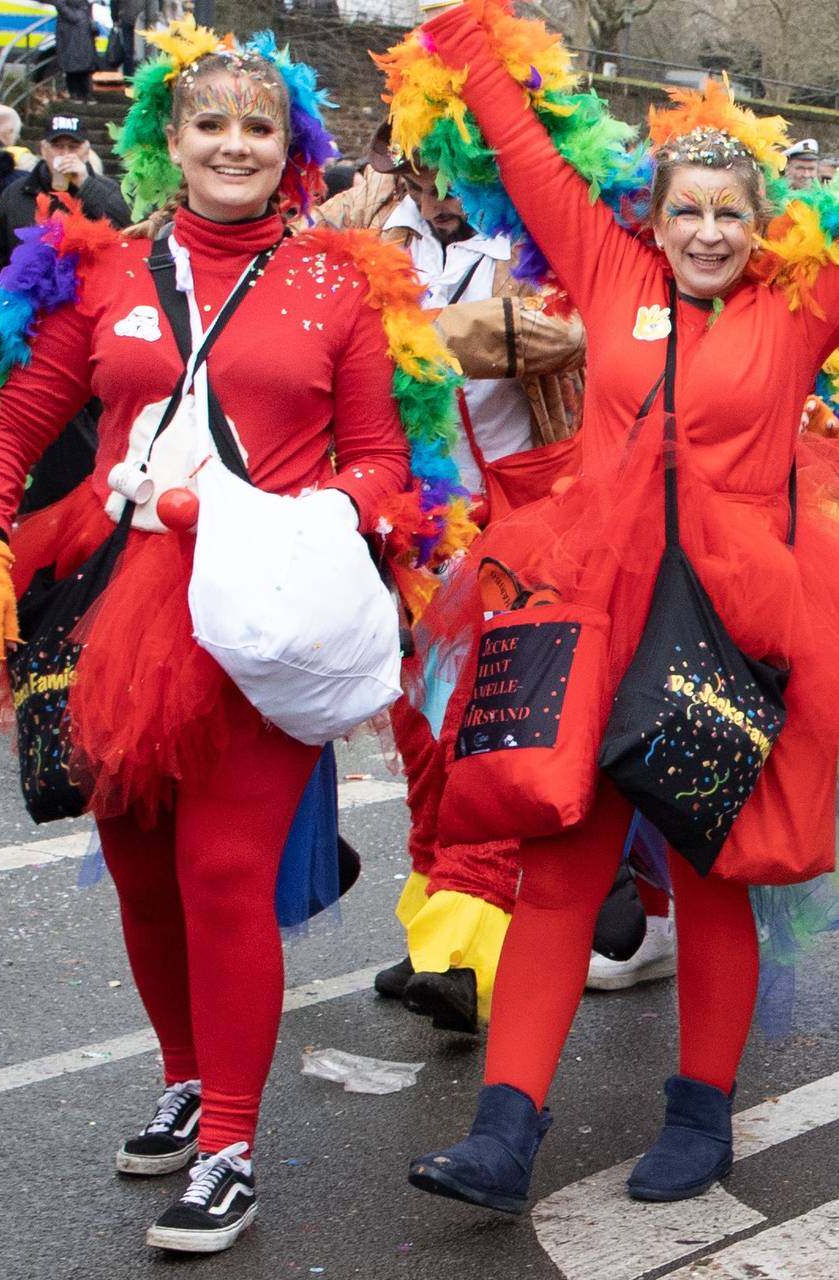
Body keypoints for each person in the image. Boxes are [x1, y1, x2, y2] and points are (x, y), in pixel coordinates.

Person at [385, 0, 839, 1216]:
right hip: (595, 607)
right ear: (651, 217)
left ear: (762, 229)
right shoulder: (606, 269)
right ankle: (503, 1128)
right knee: (558, 868)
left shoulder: (801, 309)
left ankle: (700, 1112)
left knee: (714, 875)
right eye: (684, 208)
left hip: (738, 628)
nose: (704, 230)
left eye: (729, 213)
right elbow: (528, 156)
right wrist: (465, 37)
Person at [0, 25, 467, 1252]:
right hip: (113, 614)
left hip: (258, 619)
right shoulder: (102, 271)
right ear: (170, 140)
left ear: (291, 146)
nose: (235, 145)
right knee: (145, 876)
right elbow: (14, 416)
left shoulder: (342, 279)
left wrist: (311, 514)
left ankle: (232, 1142)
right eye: (212, 125)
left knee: (221, 875)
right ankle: (188, 1072)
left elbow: (381, 459)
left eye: (260, 127)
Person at [324, 128, 590, 1032]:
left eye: (467, 172)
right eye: (430, 172)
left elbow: (564, 334)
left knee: (491, 737)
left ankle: (471, 952)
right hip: (414, 526)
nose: (447, 192)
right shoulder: (361, 231)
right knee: (424, 737)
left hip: (525, 523)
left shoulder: (533, 242)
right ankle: (435, 933)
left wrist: (408, 334)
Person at [0, 116, 128, 282]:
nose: (65, 154)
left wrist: (85, 185)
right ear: (43, 150)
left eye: (74, 147)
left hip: (91, 296)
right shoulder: (16, 192)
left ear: (86, 152)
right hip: (28, 298)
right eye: (57, 146)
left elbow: (127, 228)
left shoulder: (108, 189)